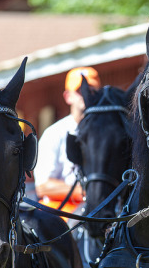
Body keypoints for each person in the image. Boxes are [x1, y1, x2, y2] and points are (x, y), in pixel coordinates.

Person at [34, 67, 101, 202]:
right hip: (61, 211)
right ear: (67, 97)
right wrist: (88, 192)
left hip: (98, 208)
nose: (86, 94)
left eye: (91, 90)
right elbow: (43, 186)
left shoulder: (104, 133)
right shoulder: (54, 133)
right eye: (80, 91)